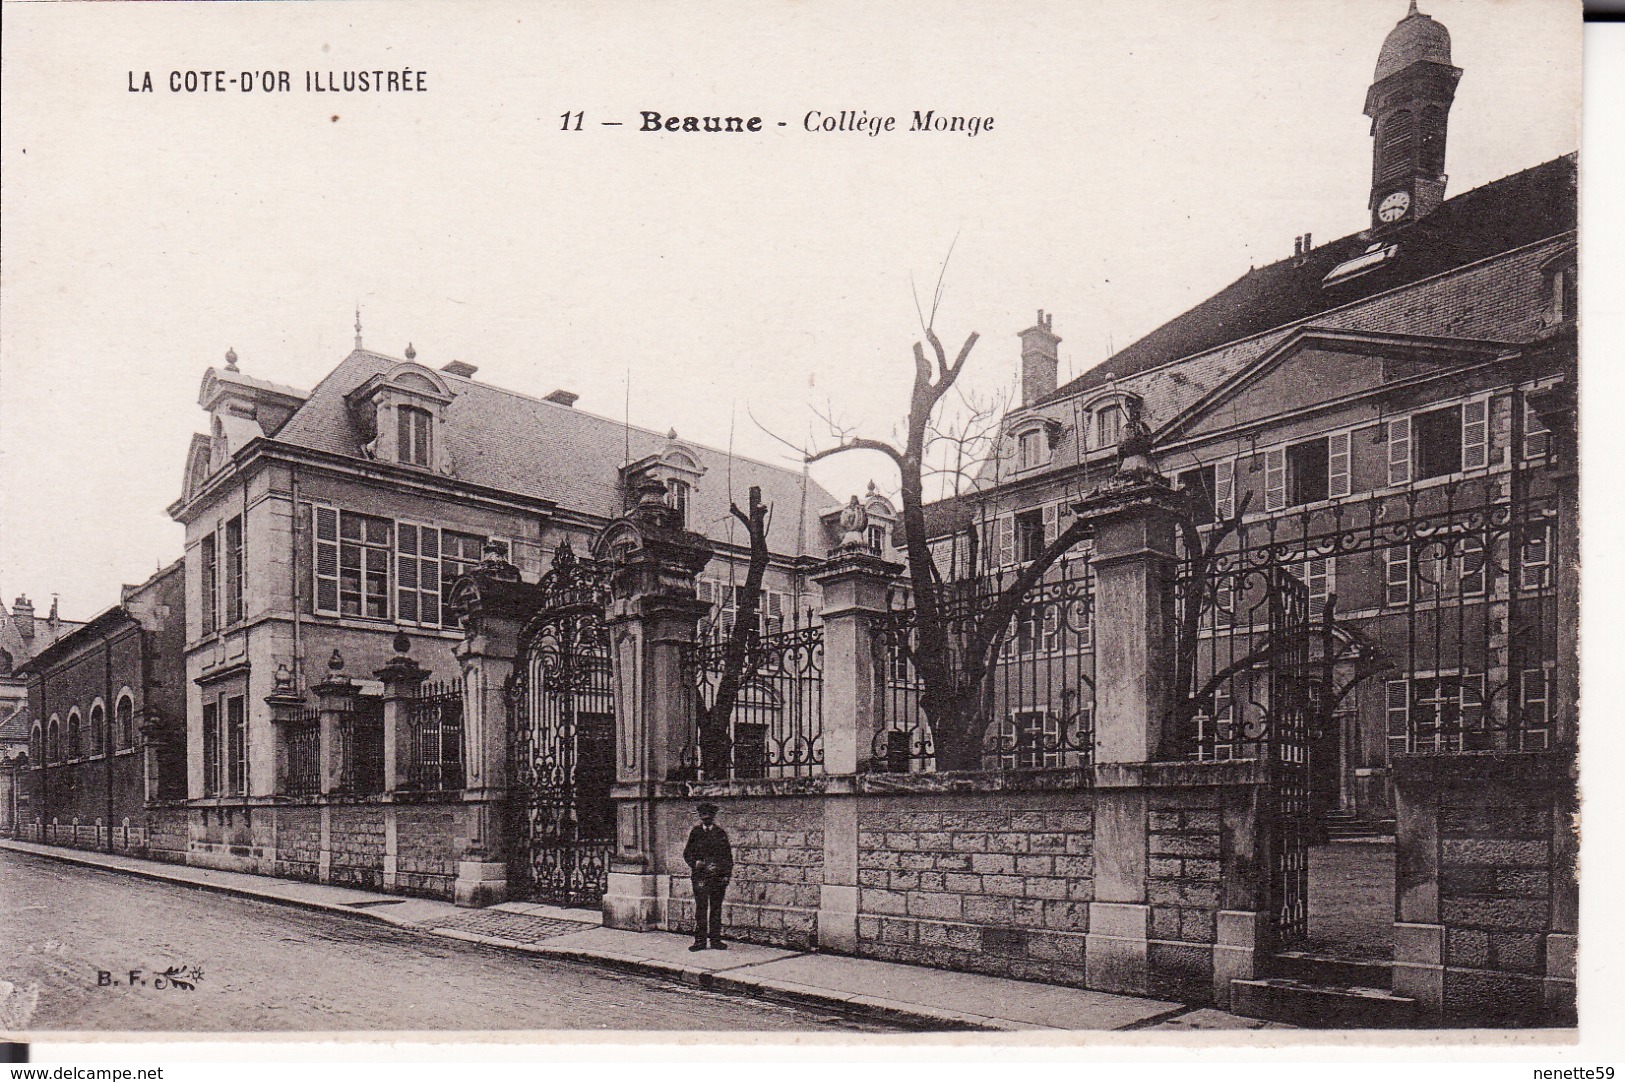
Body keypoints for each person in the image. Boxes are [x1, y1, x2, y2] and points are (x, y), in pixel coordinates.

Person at [683, 801, 733, 951]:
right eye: (703, 817)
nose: (706, 819)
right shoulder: (696, 833)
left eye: (708, 817)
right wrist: (694, 863)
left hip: (717, 877)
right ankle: (700, 941)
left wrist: (726, 875)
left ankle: (716, 940)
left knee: (716, 909)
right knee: (701, 909)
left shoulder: (720, 834)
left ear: (713, 817)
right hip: (701, 877)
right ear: (700, 817)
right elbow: (687, 853)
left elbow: (727, 857)